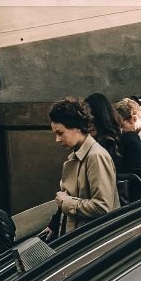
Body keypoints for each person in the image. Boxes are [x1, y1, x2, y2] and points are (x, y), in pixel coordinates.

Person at [43, 99, 120, 238]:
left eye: (61, 133)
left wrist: (66, 202)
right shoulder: (76, 156)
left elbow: (102, 206)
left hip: (93, 241)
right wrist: (55, 225)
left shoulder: (95, 156)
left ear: (77, 127)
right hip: (81, 238)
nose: (57, 140)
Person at [84, 92, 141, 184]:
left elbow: (139, 177)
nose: (89, 125)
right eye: (86, 121)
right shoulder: (91, 143)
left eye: (92, 120)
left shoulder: (128, 138)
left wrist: (101, 176)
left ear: (101, 117)